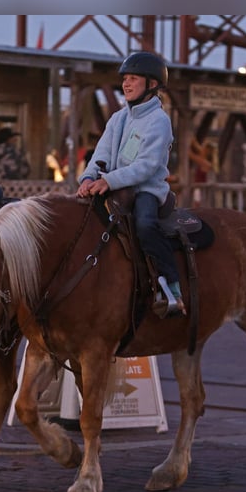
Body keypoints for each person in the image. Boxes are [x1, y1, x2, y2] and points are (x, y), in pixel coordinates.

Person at [76, 51, 185, 318]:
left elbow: (147, 166)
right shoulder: (118, 118)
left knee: (146, 225)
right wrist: (88, 178)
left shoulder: (159, 121)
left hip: (146, 189)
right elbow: (100, 154)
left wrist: (109, 180)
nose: (126, 84)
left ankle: (171, 289)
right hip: (112, 186)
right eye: (125, 79)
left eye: (133, 79)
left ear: (151, 84)